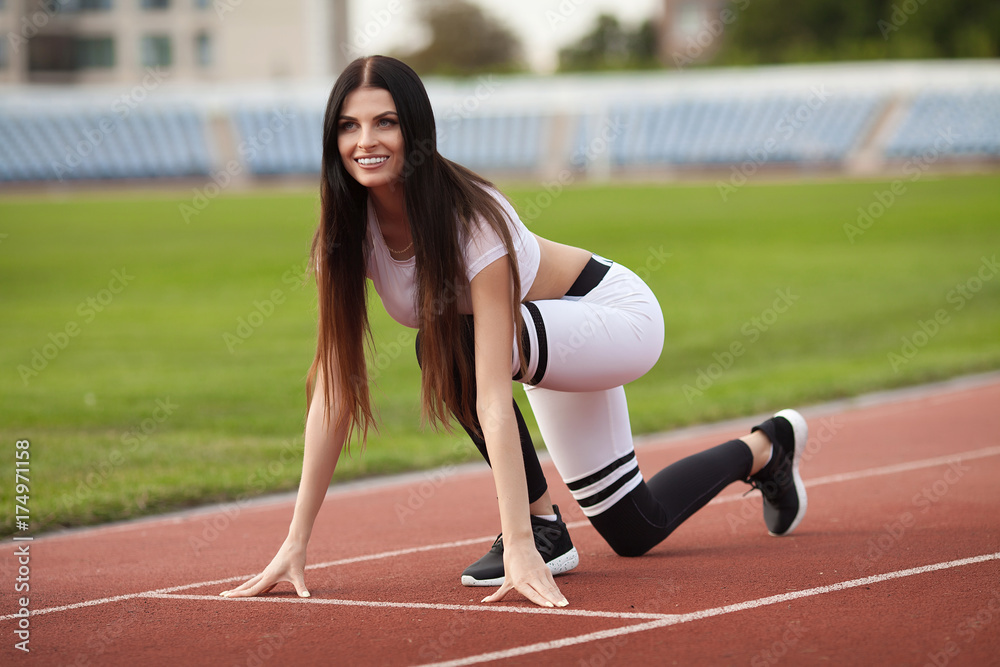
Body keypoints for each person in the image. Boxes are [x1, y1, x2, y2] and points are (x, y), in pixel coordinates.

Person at [220, 55, 808, 608]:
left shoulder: (470, 219)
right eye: (349, 126)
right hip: (540, 345)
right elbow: (334, 388)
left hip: (612, 315)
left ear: (416, 132)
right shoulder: (346, 230)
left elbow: (491, 397)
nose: (365, 141)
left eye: (385, 122)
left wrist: (522, 540)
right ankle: (767, 448)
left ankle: (543, 528)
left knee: (446, 343)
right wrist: (296, 540)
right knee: (635, 527)